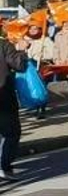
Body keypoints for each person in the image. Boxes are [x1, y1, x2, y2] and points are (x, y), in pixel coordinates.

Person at [0, 36, 27, 181]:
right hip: (3, 98)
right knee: (11, 133)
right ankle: (3, 166)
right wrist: (22, 51)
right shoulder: (4, 45)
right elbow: (19, 65)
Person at [20, 23, 53, 119]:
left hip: (42, 67)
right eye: (31, 29)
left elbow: (51, 53)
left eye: (35, 29)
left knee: (41, 87)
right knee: (32, 87)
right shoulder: (25, 39)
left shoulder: (45, 39)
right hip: (29, 67)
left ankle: (41, 109)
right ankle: (35, 106)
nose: (33, 31)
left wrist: (41, 56)